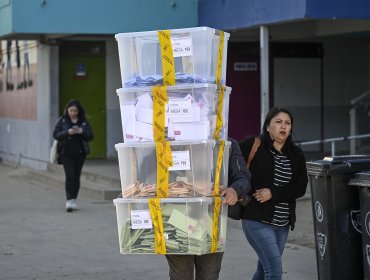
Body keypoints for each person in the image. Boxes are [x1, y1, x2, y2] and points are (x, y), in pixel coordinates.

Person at [165, 138, 252, 280]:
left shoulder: (227, 143)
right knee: (181, 275)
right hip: (176, 218)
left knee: (209, 275)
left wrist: (234, 190)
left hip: (213, 219)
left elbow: (243, 176)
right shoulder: (173, 140)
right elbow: (150, 173)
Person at [239, 107, 308, 280]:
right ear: (268, 126)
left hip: (282, 223)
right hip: (256, 219)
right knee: (275, 272)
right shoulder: (253, 145)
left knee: (264, 270)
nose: (283, 126)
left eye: (287, 123)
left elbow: (301, 187)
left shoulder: (296, 154)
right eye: (278, 122)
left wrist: (273, 193)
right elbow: (231, 164)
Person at [53, 99, 93, 212]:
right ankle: (69, 201)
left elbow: (90, 136)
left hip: (80, 153)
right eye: (71, 110)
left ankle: (74, 199)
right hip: (66, 153)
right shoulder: (63, 121)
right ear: (67, 110)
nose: (73, 113)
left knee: (76, 176)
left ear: (78, 111)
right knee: (70, 175)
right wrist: (67, 132)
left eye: (75, 110)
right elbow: (55, 134)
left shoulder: (83, 121)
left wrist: (82, 131)